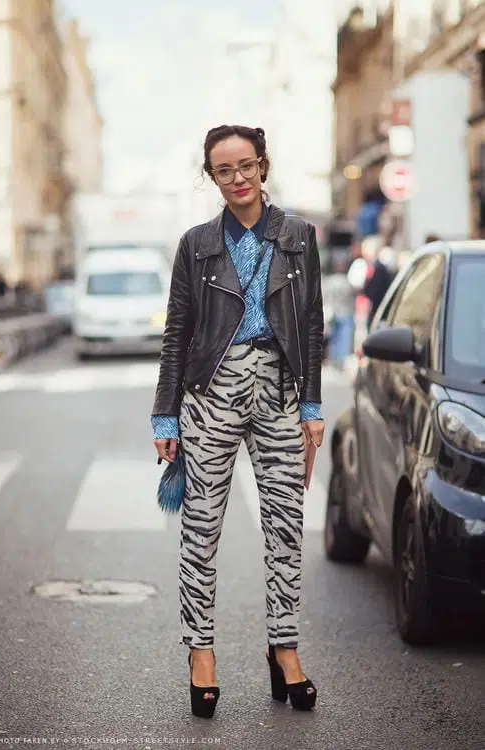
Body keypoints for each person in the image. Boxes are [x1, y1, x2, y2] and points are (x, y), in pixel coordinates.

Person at [151, 124, 325, 718]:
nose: (238, 178)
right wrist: (165, 417)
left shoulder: (299, 237)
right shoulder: (196, 243)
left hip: (278, 390)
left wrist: (312, 407)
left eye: (246, 166)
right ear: (212, 177)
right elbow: (178, 332)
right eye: (224, 170)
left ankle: (285, 649)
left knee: (286, 527)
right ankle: (201, 653)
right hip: (211, 394)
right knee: (200, 529)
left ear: (263, 166)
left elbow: (312, 325)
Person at [322, 256, 356, 369]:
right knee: (345, 337)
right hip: (346, 313)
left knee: (334, 338)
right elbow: (352, 296)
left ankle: (335, 359)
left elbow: (325, 297)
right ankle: (342, 360)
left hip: (333, 313)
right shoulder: (347, 282)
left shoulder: (329, 282)